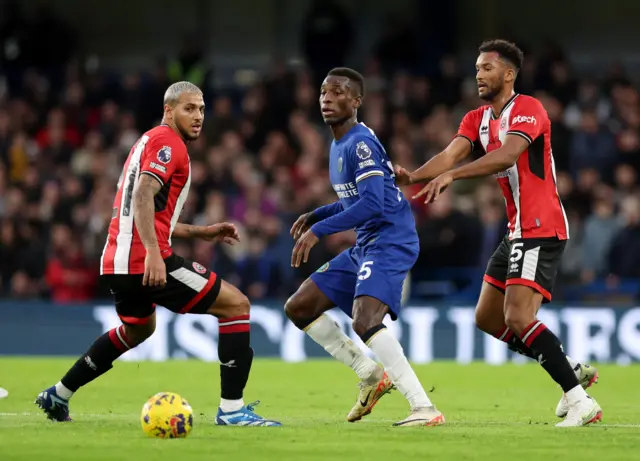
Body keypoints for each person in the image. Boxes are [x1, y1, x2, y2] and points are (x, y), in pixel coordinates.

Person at [35, 81, 281, 427]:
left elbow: (145, 209)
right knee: (236, 305)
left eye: (201, 109)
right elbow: (142, 194)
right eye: (189, 108)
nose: (198, 117)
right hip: (144, 260)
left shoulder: (146, 141)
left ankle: (58, 394)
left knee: (137, 330)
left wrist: (200, 231)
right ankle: (232, 410)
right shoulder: (170, 143)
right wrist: (153, 251)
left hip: (116, 261)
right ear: (169, 110)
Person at [395, 40, 601, 427]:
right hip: (516, 229)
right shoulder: (476, 119)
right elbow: (449, 155)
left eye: (487, 68)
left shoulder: (529, 110)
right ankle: (569, 367)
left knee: (519, 317)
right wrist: (412, 176)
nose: (478, 75)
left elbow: (507, 155)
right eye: (476, 68)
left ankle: (579, 400)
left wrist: (452, 176)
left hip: (540, 225)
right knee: (489, 318)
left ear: (508, 74)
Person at [285, 67, 444, 427]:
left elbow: (374, 203)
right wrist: (317, 213)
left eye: (339, 92)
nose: (328, 97)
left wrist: (320, 230)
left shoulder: (359, 142)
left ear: (356, 101)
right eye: (324, 91)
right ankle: (369, 374)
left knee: (366, 320)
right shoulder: (338, 144)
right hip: (367, 242)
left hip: (390, 238)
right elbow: (356, 199)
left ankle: (424, 408)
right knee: (300, 307)